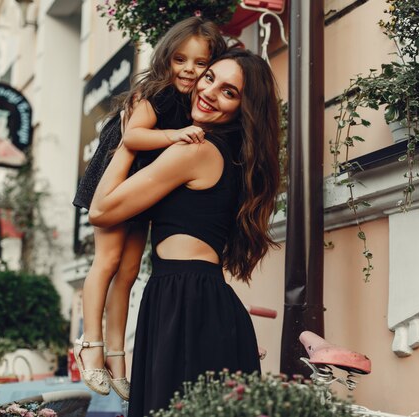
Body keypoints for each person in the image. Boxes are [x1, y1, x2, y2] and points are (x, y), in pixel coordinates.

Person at [88, 48, 281, 417]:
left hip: (185, 304)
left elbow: (101, 209)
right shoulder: (232, 154)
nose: (209, 91)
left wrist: (130, 138)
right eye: (210, 78)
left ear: (244, 108)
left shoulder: (197, 150)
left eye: (229, 92)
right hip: (195, 300)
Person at [72, 17, 226, 400]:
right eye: (180, 59)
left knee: (127, 272)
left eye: (200, 63)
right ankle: (89, 345)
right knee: (106, 262)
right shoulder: (151, 92)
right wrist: (175, 135)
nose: (189, 70)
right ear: (166, 58)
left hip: (146, 188)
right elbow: (133, 136)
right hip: (115, 175)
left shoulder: (194, 101)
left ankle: (117, 357)